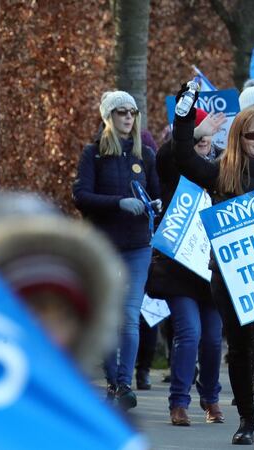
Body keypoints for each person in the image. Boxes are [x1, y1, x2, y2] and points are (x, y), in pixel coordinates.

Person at [171, 86, 254, 448]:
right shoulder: (219, 175)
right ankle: (245, 419)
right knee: (241, 348)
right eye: (252, 135)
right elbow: (182, 156)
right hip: (228, 276)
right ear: (239, 137)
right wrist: (184, 118)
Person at [73, 90, 160, 411]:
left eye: (132, 112)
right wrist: (118, 203)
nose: (128, 117)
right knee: (108, 315)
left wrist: (156, 203)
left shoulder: (146, 154)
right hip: (104, 246)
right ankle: (112, 381)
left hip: (138, 246)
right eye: (121, 112)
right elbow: (81, 196)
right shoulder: (93, 154)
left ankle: (124, 383)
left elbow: (156, 193)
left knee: (129, 315)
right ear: (107, 117)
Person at [146, 108, 226, 426]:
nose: (202, 145)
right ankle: (179, 402)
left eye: (207, 141)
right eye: (197, 140)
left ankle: (211, 398)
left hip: (210, 271)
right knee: (189, 333)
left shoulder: (221, 171)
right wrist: (191, 132)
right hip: (178, 271)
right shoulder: (170, 169)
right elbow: (167, 153)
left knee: (213, 338)